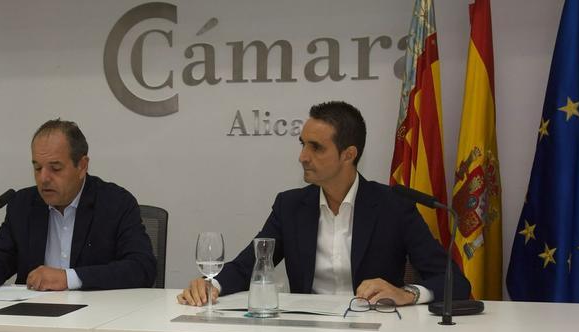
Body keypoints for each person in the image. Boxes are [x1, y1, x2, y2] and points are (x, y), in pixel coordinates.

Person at [177, 100, 469, 307]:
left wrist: (408, 293)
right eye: (302, 144)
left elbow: (453, 281)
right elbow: (249, 266)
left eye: (316, 147)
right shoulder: (290, 206)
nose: (303, 156)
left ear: (348, 154)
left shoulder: (393, 205)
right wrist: (210, 284)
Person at [0, 119, 156, 293]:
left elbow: (141, 268)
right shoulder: (22, 204)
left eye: (55, 168)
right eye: (37, 168)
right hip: (33, 323)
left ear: (82, 166)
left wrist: (68, 279)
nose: (43, 178)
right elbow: (0, 257)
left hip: (96, 321)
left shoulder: (115, 203)